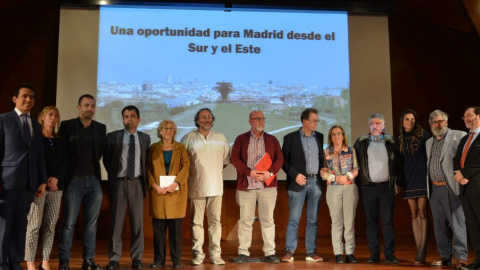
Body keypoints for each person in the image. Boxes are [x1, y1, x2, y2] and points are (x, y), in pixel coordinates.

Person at [0, 84, 47, 270]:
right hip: (7, 182)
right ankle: (2, 262)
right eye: (24, 96)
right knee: (4, 226)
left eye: (31, 97)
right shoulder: (3, 120)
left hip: (29, 184)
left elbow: (39, 155)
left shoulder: (35, 123)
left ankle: (15, 261)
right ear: (15, 99)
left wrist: (42, 181)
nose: (28, 100)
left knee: (20, 225)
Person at [58, 94, 106, 270]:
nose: (90, 109)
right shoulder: (67, 126)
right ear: (78, 107)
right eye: (86, 105)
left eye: (92, 106)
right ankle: (64, 260)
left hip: (94, 181)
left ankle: (88, 260)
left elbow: (100, 153)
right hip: (74, 181)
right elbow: (62, 153)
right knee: (69, 223)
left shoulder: (101, 128)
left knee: (91, 224)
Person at [231, 110, 284, 264]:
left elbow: (279, 159)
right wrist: (249, 173)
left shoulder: (272, 139)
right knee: (245, 221)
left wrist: (271, 173)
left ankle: (270, 252)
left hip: (267, 186)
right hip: (247, 185)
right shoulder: (241, 139)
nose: (261, 121)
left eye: (262, 118)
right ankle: (243, 252)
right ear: (250, 121)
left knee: (268, 220)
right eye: (257, 119)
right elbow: (235, 159)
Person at [180, 108, 230, 265]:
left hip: (216, 187)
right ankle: (198, 254)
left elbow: (224, 161)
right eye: (203, 117)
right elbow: (182, 162)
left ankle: (215, 254)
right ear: (197, 120)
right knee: (196, 222)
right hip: (196, 187)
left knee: (215, 222)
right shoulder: (188, 138)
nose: (207, 119)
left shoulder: (220, 137)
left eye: (209, 117)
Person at [103, 106, 151, 270]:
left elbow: (145, 161)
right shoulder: (112, 137)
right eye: (126, 116)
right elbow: (108, 161)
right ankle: (114, 258)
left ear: (139, 119)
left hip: (137, 183)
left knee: (137, 224)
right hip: (119, 183)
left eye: (132, 116)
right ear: (122, 119)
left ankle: (137, 258)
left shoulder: (145, 138)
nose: (129, 119)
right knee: (116, 223)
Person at [353, 113, 403, 264]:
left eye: (378, 124)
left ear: (383, 126)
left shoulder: (392, 141)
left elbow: (399, 163)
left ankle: (390, 254)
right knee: (371, 221)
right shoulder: (360, 142)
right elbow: (355, 163)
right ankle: (374, 254)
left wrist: (398, 182)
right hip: (368, 188)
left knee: (387, 221)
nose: (374, 126)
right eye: (372, 124)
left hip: (387, 188)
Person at [24, 106, 67, 270]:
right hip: (38, 188)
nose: (53, 118)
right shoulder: (35, 139)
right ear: (42, 117)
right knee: (34, 226)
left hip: (56, 189)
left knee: (50, 226)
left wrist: (57, 179)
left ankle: (45, 261)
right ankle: (30, 262)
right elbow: (32, 163)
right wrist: (42, 181)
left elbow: (65, 163)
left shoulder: (60, 140)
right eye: (50, 115)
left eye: (56, 115)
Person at [281, 108, 324, 263]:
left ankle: (311, 252)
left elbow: (321, 159)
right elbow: (283, 162)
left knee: (312, 219)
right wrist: (295, 175)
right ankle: (289, 251)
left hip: (315, 182)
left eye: (317, 121)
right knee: (294, 219)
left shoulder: (319, 137)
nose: (316, 123)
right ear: (304, 121)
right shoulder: (290, 138)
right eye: (313, 121)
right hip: (297, 182)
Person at [426, 110, 468, 268]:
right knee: (439, 225)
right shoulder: (428, 142)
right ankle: (445, 255)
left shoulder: (459, 135)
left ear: (447, 122)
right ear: (431, 124)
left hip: (451, 187)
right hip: (434, 189)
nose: (438, 124)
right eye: (435, 122)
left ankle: (461, 256)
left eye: (441, 121)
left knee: (457, 223)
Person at [147, 120, 189, 269]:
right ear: (160, 131)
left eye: (171, 128)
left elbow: (186, 166)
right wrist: (154, 186)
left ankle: (176, 261)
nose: (168, 131)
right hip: (158, 193)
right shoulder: (153, 148)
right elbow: (148, 169)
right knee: (158, 231)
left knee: (175, 232)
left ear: (175, 131)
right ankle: (159, 260)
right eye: (165, 128)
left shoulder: (181, 148)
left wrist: (176, 183)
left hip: (175, 193)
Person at [320, 125, 359, 264]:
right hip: (333, 188)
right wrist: (334, 178)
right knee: (336, 222)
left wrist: (347, 177)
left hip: (349, 188)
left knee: (349, 221)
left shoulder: (350, 150)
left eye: (339, 133)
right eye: (333, 134)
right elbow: (323, 171)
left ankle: (349, 252)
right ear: (330, 137)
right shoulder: (326, 152)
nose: (336, 136)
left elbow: (356, 168)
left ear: (343, 135)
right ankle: (338, 252)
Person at [398, 109, 430, 264]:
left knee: (422, 213)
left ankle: (422, 250)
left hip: (422, 177)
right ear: (402, 122)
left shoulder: (423, 135)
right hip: (409, 179)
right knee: (413, 214)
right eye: (407, 119)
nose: (410, 122)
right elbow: (399, 162)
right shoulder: (401, 139)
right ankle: (418, 248)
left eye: (412, 119)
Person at [453, 106, 480, 270]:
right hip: (465, 189)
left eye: (469, 115)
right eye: (464, 116)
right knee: (473, 226)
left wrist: (464, 174)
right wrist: (458, 175)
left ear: (479, 115)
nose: (466, 118)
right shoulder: (465, 138)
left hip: (477, 187)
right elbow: (457, 158)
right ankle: (478, 260)